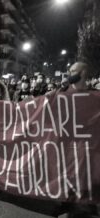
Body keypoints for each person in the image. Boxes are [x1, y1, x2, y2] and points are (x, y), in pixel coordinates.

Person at [58, 62, 99, 218]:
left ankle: (85, 207)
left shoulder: (94, 95)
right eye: (69, 71)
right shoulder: (62, 93)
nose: (70, 74)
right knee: (67, 173)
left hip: (88, 143)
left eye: (73, 71)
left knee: (86, 174)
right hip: (67, 141)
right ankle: (67, 204)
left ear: (83, 73)